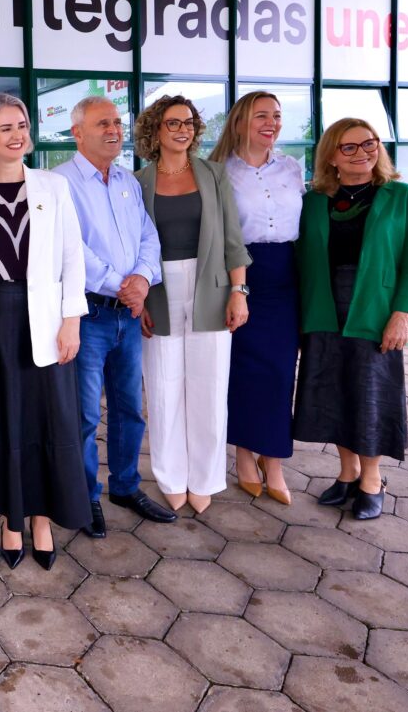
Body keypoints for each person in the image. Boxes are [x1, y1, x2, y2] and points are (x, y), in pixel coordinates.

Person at [0, 94, 89, 571]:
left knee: (46, 422)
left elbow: (73, 256)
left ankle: (42, 518)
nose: (17, 135)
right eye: (5, 128)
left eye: (22, 125)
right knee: (0, 422)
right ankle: (12, 520)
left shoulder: (54, 186)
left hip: (45, 323)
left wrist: (71, 319)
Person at [53, 96, 178, 536]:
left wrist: (141, 280)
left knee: (129, 409)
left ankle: (125, 486)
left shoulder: (127, 180)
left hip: (129, 313)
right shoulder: (60, 183)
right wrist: (119, 284)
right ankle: (85, 497)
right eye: (102, 123)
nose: (114, 130)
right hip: (87, 315)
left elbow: (148, 236)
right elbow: (69, 247)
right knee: (85, 416)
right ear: (77, 133)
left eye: (117, 123)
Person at [297, 118, 408, 521]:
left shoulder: (404, 196)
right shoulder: (313, 201)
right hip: (323, 305)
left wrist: (403, 314)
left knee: (370, 393)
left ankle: (372, 479)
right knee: (333, 391)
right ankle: (348, 472)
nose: (362, 153)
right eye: (349, 147)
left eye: (369, 144)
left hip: (376, 308)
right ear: (331, 157)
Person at [134, 95, 251, 516]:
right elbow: (133, 245)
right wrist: (139, 299)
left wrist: (239, 291)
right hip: (158, 290)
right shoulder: (138, 181)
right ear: (155, 130)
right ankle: (170, 477)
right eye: (173, 123)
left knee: (209, 387)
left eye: (189, 123)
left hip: (212, 289)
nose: (183, 130)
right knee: (163, 388)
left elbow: (233, 238)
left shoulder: (213, 174)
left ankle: (204, 478)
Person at [208, 92, 304, 505]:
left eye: (277, 116)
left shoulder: (292, 168)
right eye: (261, 115)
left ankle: (274, 459)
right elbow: (220, 238)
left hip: (285, 276)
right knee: (243, 372)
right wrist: (238, 290)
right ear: (239, 122)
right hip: (240, 275)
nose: (272, 123)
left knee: (280, 374)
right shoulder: (219, 172)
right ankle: (245, 455)